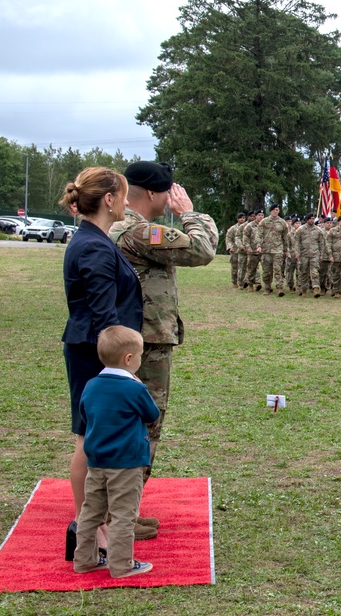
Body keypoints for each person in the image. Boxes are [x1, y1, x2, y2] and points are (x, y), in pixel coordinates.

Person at [111, 161, 218, 489]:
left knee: (127, 420)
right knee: (145, 421)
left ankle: (121, 509)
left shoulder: (121, 226)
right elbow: (202, 249)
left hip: (130, 337)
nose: (172, 196)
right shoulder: (140, 231)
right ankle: (124, 513)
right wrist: (189, 212)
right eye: (169, 191)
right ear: (154, 193)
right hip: (145, 340)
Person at [61, 167, 143, 560]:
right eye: (124, 195)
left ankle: (93, 527)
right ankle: (90, 531)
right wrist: (119, 363)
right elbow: (103, 315)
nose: (127, 202)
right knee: (89, 438)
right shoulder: (93, 245)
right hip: (95, 353)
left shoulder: (94, 239)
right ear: (109, 199)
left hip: (92, 350)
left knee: (89, 435)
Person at [73, 325, 158, 578]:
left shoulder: (91, 385)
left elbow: (84, 414)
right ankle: (122, 564)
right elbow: (152, 415)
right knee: (123, 515)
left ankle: (84, 559)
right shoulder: (134, 389)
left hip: (96, 461)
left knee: (90, 512)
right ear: (129, 359)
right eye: (141, 355)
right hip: (127, 462)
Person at [257, 204, 291, 296]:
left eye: (277, 210)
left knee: (278, 270)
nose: (276, 211)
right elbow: (259, 235)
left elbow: (285, 237)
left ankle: (279, 288)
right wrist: (258, 245)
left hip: (278, 250)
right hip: (266, 250)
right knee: (266, 271)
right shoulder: (264, 222)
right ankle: (267, 288)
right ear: (271, 211)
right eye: (274, 210)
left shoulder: (282, 222)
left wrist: (286, 250)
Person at [295, 213, 324, 297]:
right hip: (304, 254)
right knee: (303, 272)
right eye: (310, 219)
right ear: (307, 219)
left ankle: (315, 289)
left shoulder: (318, 230)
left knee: (315, 272)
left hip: (314, 254)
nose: (312, 220)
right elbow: (297, 242)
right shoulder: (301, 229)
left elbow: (321, 243)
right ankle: (304, 290)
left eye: (313, 218)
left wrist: (321, 255)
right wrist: (297, 252)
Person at [243, 210, 263, 291]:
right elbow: (245, 237)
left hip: (264, 250)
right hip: (253, 250)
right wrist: (248, 247)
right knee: (251, 268)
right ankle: (250, 285)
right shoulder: (250, 225)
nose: (261, 216)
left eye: (262, 215)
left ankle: (265, 286)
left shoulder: (266, 225)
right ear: (255, 216)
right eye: (259, 215)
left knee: (266, 269)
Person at [226, 212, 245, 288]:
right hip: (235, 250)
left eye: (243, 218)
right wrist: (230, 247)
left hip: (243, 250)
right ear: (238, 219)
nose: (242, 219)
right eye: (241, 218)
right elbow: (228, 238)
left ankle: (242, 282)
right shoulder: (233, 228)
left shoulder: (247, 227)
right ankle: (234, 282)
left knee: (243, 267)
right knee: (235, 267)